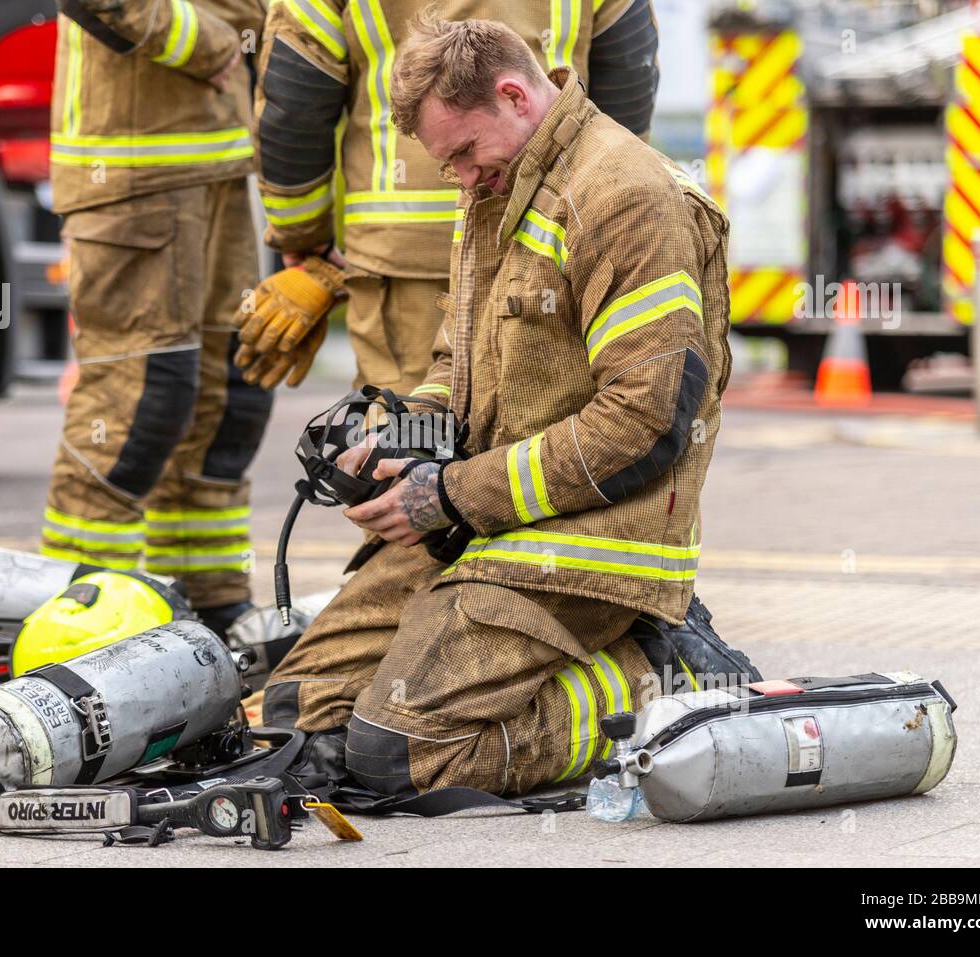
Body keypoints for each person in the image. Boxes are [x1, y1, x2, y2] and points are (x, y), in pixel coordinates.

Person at [263, 11, 732, 797]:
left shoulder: (624, 197)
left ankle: (656, 673)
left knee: (398, 750)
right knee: (298, 718)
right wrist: (406, 437)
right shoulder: (497, 185)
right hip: (486, 521)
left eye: (463, 154)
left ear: (515, 95)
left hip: (592, 547)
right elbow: (459, 358)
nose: (460, 176)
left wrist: (445, 493)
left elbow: (644, 421)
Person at [234, 0, 661, 394]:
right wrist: (611, 204)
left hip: (404, 260)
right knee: (549, 425)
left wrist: (306, 243)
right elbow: (628, 66)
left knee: (404, 438)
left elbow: (295, 91)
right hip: (554, 230)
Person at [41, 0, 273, 634]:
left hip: (219, 164)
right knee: (139, 401)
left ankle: (208, 603)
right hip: (131, 173)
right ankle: (82, 618)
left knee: (230, 394)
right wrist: (210, 43)